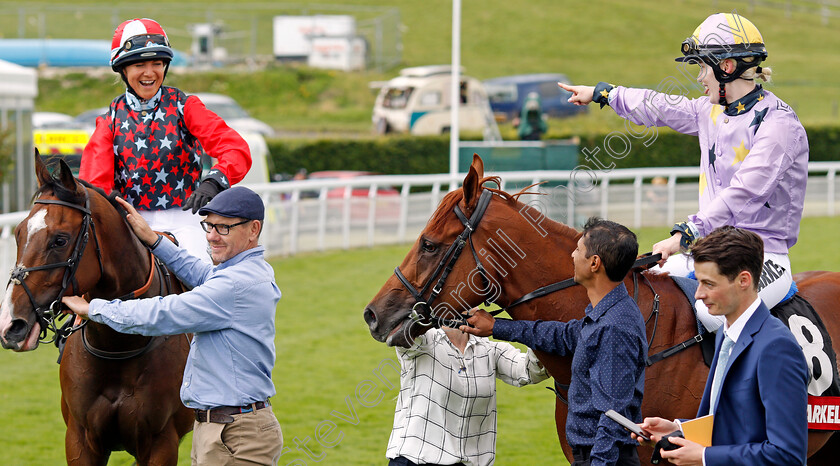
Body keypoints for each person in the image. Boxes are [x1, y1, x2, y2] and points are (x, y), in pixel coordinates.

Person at [558, 13, 809, 333]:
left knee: (710, 315)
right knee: (650, 284)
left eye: (703, 67)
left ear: (726, 67)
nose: (701, 77)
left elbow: (743, 193)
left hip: (763, 258)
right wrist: (603, 93)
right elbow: (660, 106)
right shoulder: (711, 111)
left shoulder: (780, 126)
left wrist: (684, 235)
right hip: (712, 249)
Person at [61, 186, 283, 465]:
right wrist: (153, 240)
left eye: (223, 228)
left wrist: (95, 309)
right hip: (221, 429)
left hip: (237, 436)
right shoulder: (243, 272)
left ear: (253, 229)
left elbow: (163, 313)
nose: (212, 236)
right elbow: (201, 273)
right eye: (209, 226)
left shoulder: (236, 285)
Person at [461, 217, 647, 466]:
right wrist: (497, 326)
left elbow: (613, 415)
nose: (572, 255)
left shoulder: (614, 327)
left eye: (578, 249)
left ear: (594, 263)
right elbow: (562, 336)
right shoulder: (607, 313)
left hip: (602, 458)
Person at [80, 18, 252, 261]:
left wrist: (214, 181)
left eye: (157, 63)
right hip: (130, 222)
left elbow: (234, 148)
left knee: (203, 281)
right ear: (123, 70)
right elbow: (94, 183)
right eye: (139, 64)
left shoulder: (186, 106)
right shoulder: (109, 120)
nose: (149, 73)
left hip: (185, 219)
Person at [636, 226, 808, 465]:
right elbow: (734, 423)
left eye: (709, 284)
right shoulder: (725, 334)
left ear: (744, 281)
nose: (698, 294)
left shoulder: (776, 348)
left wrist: (704, 457)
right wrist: (678, 429)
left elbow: (787, 455)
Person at [387, 323, 548, 466]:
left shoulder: (490, 350)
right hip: (415, 460)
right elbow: (401, 333)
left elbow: (531, 371)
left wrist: (530, 325)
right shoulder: (424, 341)